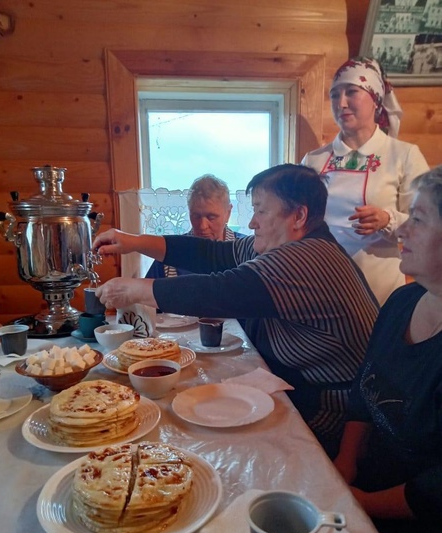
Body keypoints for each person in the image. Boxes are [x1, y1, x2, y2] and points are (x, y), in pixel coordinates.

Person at [93, 164, 379, 457]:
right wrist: (133, 241)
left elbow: (217, 291)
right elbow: (212, 254)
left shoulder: (305, 258)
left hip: (337, 417)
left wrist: (135, 289)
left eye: (261, 211)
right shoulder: (290, 245)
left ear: (299, 216)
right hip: (308, 394)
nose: (252, 222)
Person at [333, 165, 442, 533]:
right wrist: (345, 463)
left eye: (419, 219)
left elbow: (435, 490)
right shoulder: (403, 300)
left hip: (420, 532)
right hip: (365, 487)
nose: (403, 229)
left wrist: (360, 503)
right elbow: (365, 388)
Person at [301, 56, 429, 305]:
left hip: (379, 287)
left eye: (351, 92)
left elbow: (426, 223)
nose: (341, 103)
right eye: (335, 95)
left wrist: (387, 220)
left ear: (375, 99)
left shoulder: (403, 155)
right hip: (321, 283)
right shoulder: (314, 160)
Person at [146, 174, 244, 279]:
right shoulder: (169, 254)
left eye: (211, 217)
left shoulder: (246, 252)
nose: (202, 226)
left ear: (228, 213)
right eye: (196, 216)